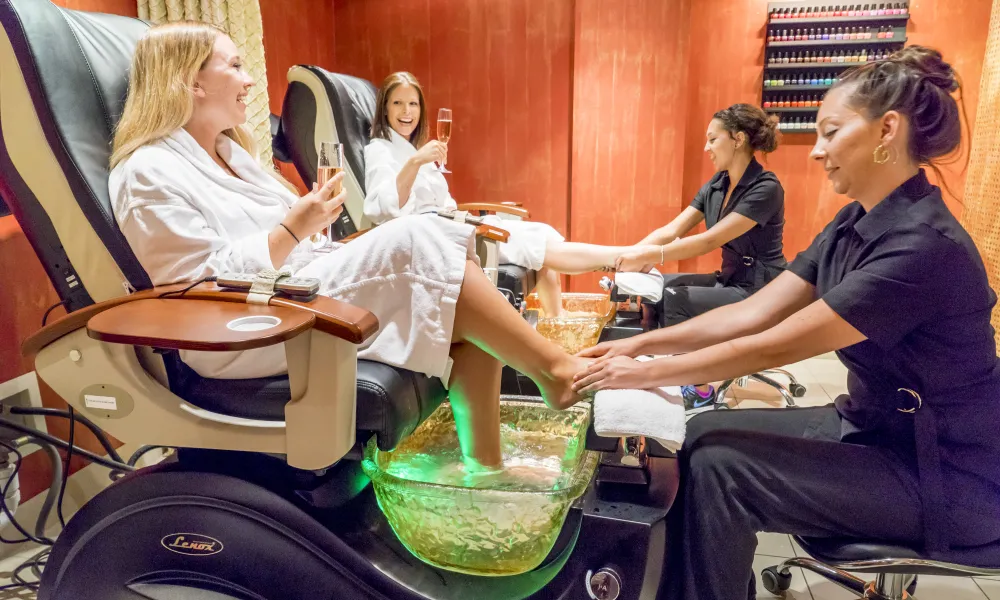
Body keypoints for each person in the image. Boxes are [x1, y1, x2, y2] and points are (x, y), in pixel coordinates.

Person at [575, 46, 1000, 600]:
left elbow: (771, 347)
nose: (817, 151)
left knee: (725, 469)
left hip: (942, 473)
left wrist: (635, 374)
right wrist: (639, 348)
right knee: (698, 433)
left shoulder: (924, 247)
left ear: (886, 131)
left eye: (830, 132)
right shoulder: (854, 222)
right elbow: (754, 312)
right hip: (870, 426)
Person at [108, 22, 589, 472]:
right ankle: (554, 370)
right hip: (243, 328)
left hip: (294, 290)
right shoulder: (147, 172)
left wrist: (310, 231)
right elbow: (194, 291)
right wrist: (294, 229)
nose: (250, 79)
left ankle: (485, 474)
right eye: (234, 65)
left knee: (462, 321)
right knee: (420, 236)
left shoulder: (234, 156)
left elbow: (294, 243)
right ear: (191, 82)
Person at [363, 71, 656, 316]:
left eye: (413, 104)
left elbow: (443, 202)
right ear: (385, 108)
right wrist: (416, 162)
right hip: (432, 241)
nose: (406, 112)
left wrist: (422, 163)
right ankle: (623, 255)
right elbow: (385, 209)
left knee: (540, 235)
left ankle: (559, 322)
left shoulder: (415, 149)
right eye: (398, 103)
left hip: (451, 226)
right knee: (536, 247)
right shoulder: (380, 149)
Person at [614, 104, 787, 409]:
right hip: (731, 278)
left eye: (712, 139)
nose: (706, 148)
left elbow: (711, 240)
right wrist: (626, 259)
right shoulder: (717, 184)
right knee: (658, 287)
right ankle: (665, 370)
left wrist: (650, 254)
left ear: (738, 139)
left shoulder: (766, 188)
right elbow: (671, 230)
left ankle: (700, 389)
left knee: (677, 299)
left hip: (761, 290)